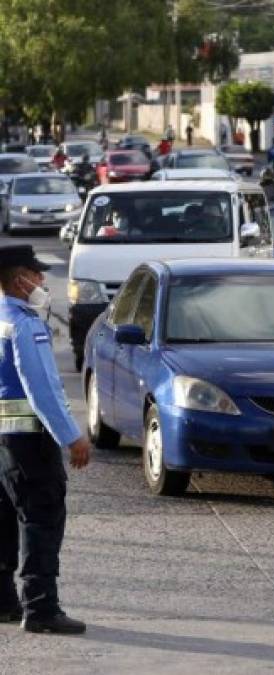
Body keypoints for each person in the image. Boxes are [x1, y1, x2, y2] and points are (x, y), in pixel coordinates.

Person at [0, 245, 91, 635]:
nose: (41, 281)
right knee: (41, 519)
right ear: (20, 280)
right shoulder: (24, 324)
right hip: (28, 441)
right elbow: (42, 390)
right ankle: (40, 610)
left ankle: (3, 601)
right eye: (36, 275)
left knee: (3, 519)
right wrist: (71, 436)